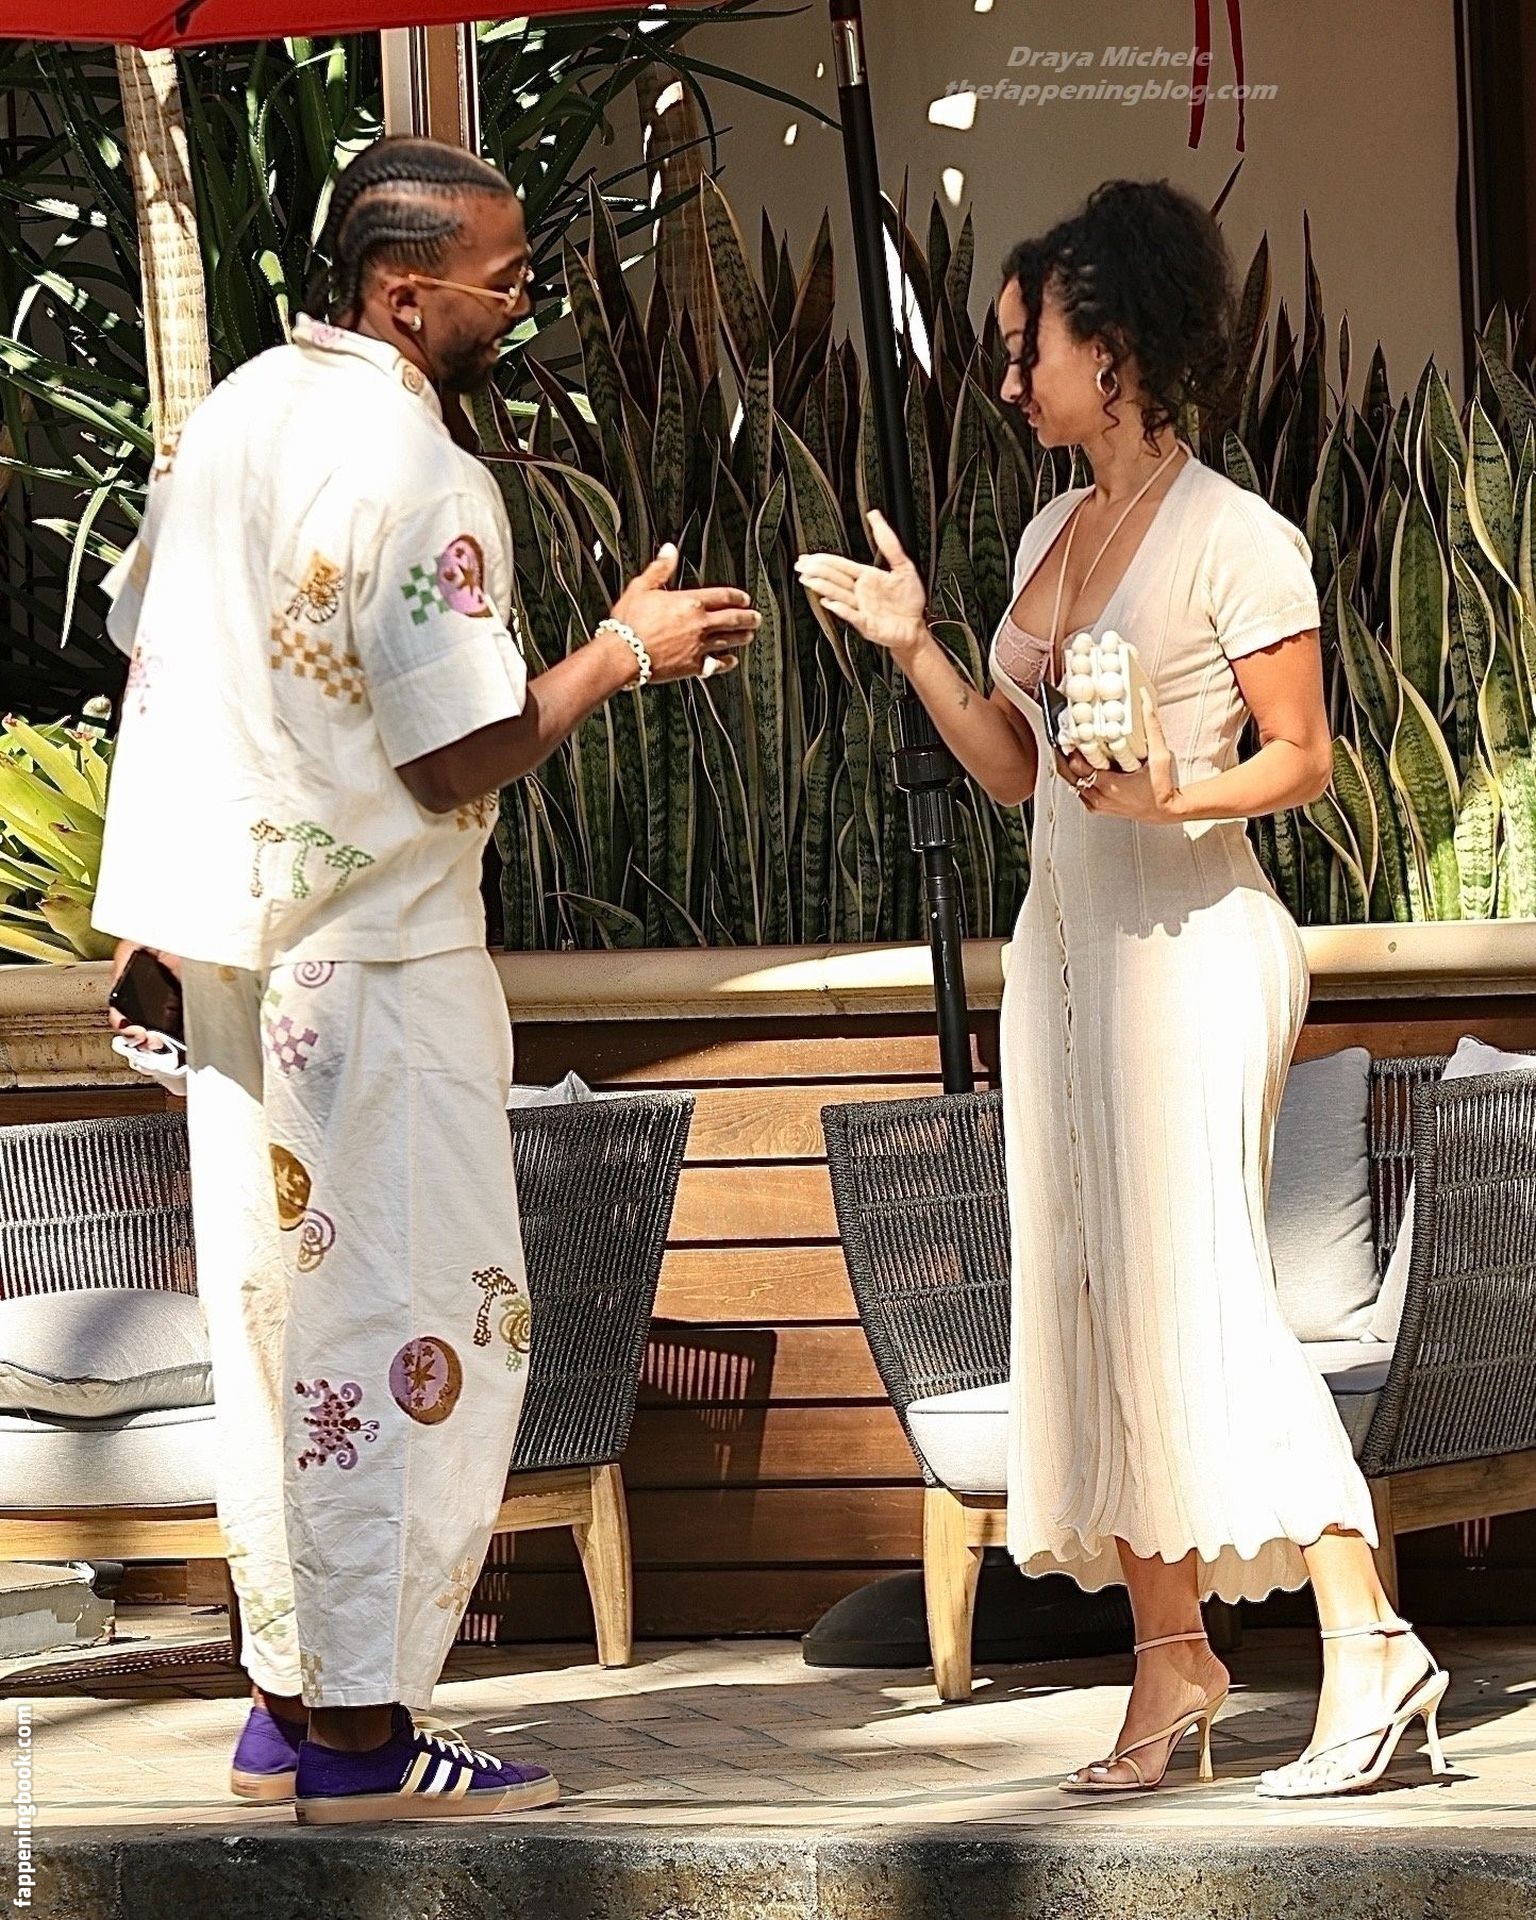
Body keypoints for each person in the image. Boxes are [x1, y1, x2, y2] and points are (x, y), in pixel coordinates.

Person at [96, 135, 758, 1826]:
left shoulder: (235, 417)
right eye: (503, 279)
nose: (522, 301)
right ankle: (365, 1742)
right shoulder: (419, 468)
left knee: (279, 1341)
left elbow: (164, 659)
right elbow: (458, 748)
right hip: (381, 973)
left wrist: (158, 916)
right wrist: (625, 651)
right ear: (405, 295)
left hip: (244, 968)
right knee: (416, 1338)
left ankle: (286, 1708)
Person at [795, 178, 1449, 1800]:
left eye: (1031, 348)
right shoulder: (1047, 534)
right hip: (1070, 963)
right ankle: (1173, 1663)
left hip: (1195, 954)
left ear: (1119, 346)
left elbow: (1303, 757)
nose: (1010, 379)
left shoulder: (1238, 537)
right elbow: (1016, 767)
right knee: (1097, 1302)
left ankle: (1374, 1641)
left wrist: (1172, 800)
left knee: (1203, 1293)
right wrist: (917, 646)